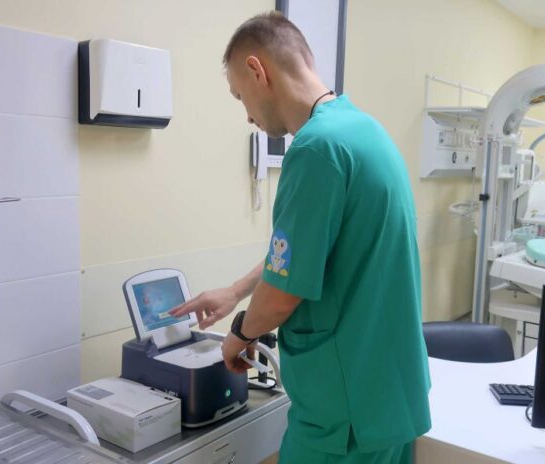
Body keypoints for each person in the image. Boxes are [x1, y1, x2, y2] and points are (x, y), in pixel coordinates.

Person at [170, 11, 431, 463]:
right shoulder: (363, 131)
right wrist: (236, 291)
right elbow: (308, 253)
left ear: (257, 70)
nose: (247, 115)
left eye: (240, 96)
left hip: (343, 413)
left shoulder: (315, 149)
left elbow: (282, 296)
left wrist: (239, 333)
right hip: (386, 395)